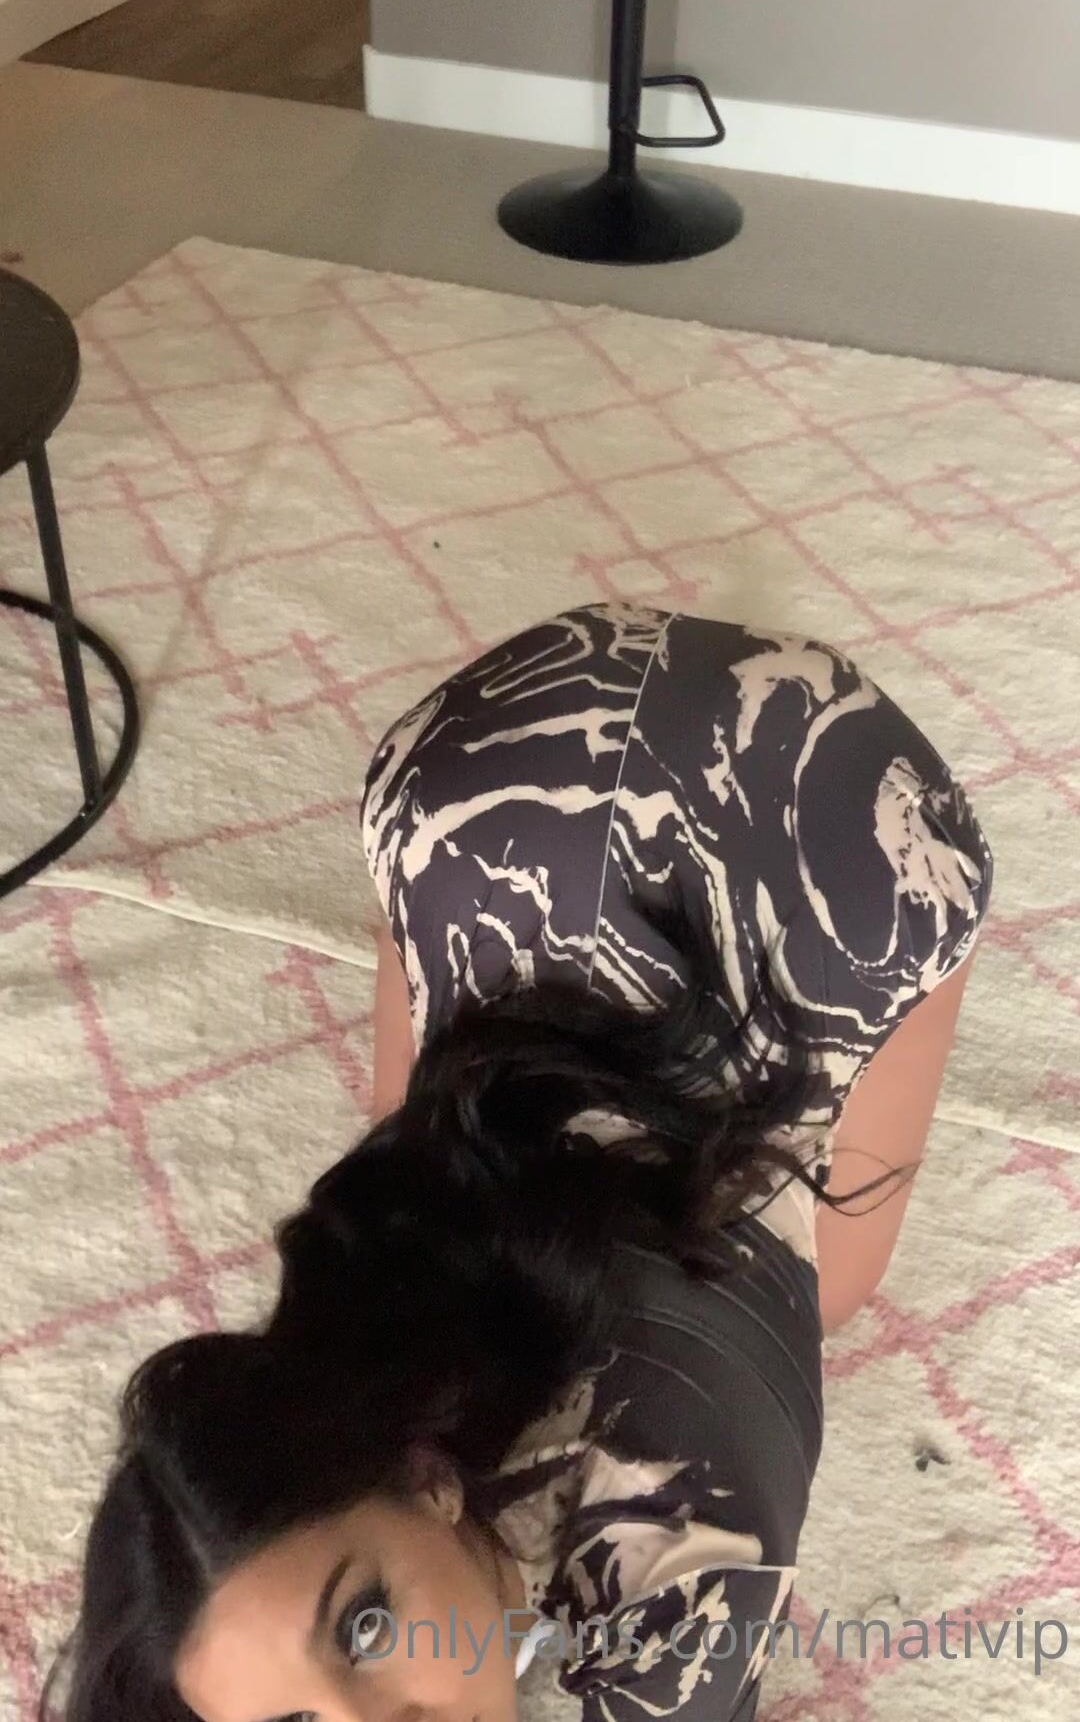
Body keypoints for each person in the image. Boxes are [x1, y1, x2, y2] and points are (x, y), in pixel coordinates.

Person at [52, 603, 993, 1722]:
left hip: (825, 798)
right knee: (439, 1121)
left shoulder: (692, 1526)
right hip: (463, 772)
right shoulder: (355, 1349)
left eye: (366, 1625)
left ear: (427, 1475)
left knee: (829, 1281)